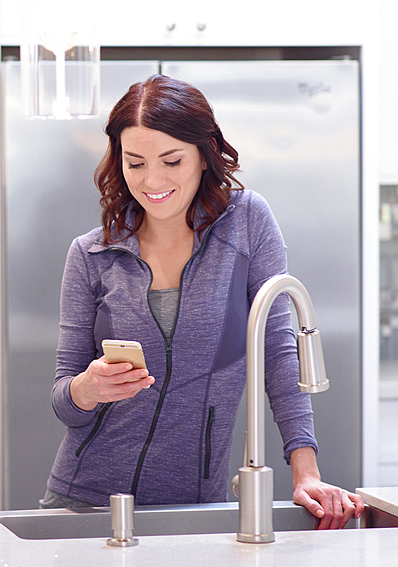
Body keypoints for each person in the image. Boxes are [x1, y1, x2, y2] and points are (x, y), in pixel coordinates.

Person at [42, 74, 363, 530]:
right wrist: (87, 389)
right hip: (84, 502)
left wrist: (305, 471)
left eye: (171, 160)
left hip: (193, 506)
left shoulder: (247, 222)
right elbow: (62, 401)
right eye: (135, 164)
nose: (152, 180)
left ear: (204, 153)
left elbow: (276, 350)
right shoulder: (91, 254)